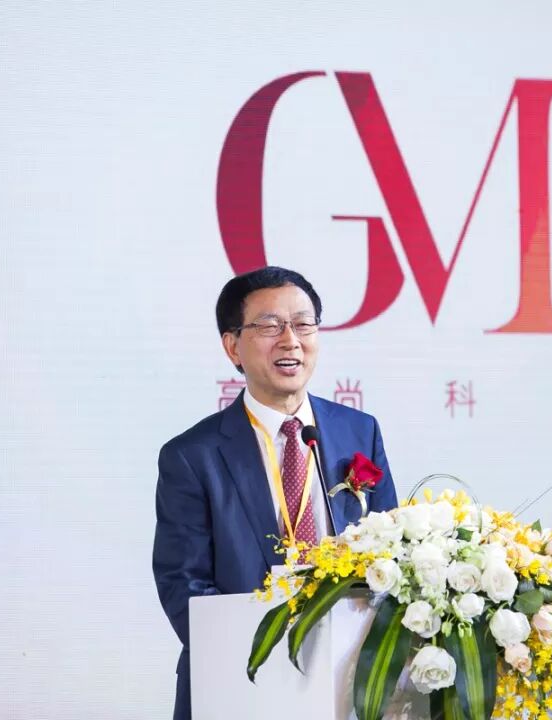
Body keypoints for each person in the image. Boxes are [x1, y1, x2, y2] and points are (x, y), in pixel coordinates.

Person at [152, 266, 398, 720]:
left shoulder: (359, 432)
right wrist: (270, 655)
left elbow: (390, 553)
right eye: (269, 326)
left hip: (346, 683)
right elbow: (183, 584)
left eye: (303, 324)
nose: (290, 341)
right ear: (233, 346)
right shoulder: (192, 456)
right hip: (240, 685)